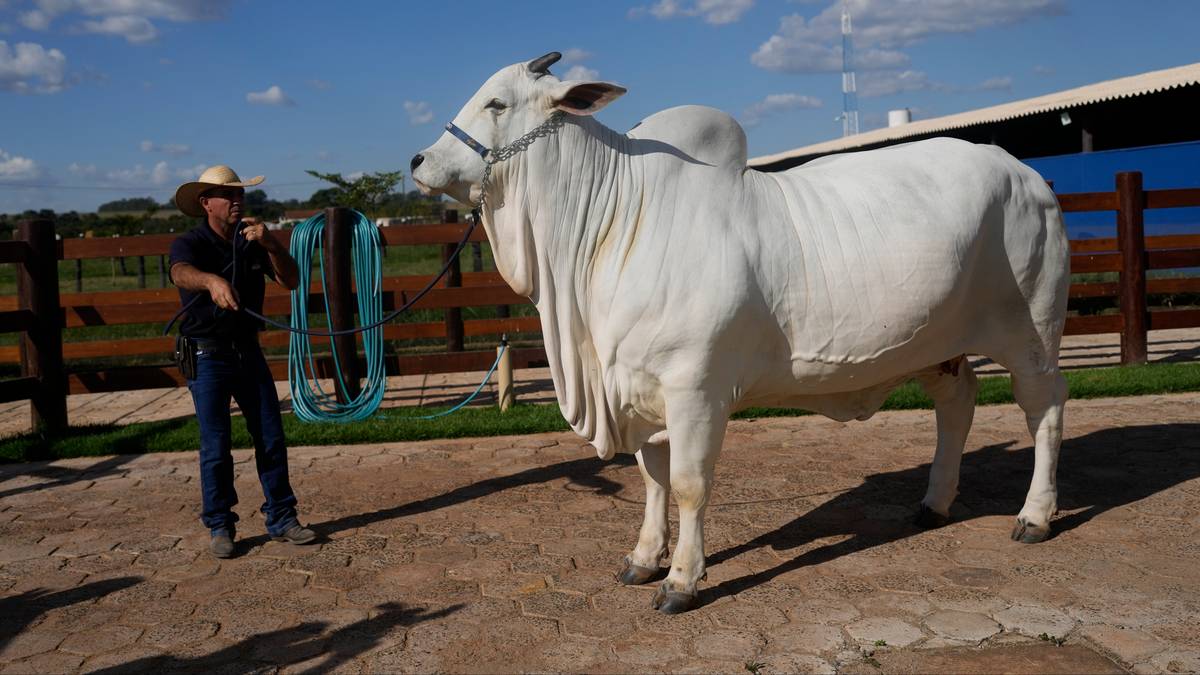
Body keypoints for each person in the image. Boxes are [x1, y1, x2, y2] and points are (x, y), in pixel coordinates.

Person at [169, 165, 316, 558]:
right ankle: (220, 524)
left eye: (240, 195)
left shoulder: (253, 241)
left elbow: (292, 280)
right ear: (206, 204)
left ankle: (282, 517)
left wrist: (273, 246)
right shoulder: (190, 242)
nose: (237, 201)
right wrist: (212, 282)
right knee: (216, 444)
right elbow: (180, 273)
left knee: (270, 435)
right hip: (207, 354)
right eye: (228, 196)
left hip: (247, 351)